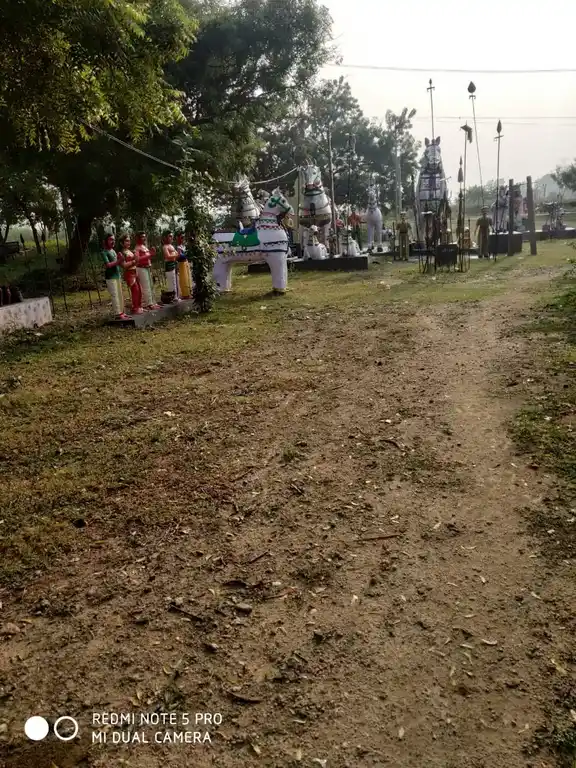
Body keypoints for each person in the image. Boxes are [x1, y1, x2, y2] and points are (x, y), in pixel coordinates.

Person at [101, 233, 129, 319]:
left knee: (120, 294)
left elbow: (119, 262)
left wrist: (122, 259)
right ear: (106, 241)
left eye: (113, 239)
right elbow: (108, 265)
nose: (113, 241)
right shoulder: (104, 252)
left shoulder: (113, 251)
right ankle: (118, 313)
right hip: (110, 277)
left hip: (117, 275)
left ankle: (122, 311)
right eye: (110, 239)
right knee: (115, 295)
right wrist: (119, 260)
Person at [117, 234, 143, 314]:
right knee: (135, 290)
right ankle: (135, 307)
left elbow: (136, 262)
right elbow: (124, 265)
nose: (129, 242)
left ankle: (139, 306)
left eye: (129, 241)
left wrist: (137, 258)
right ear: (121, 243)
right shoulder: (121, 253)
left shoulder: (130, 251)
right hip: (129, 273)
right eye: (126, 241)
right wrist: (134, 261)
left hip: (135, 271)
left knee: (140, 290)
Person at [134, 232, 160, 309]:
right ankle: (149, 304)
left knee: (151, 285)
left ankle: (153, 302)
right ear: (138, 238)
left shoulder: (144, 247)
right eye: (142, 237)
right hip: (141, 268)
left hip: (148, 267)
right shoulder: (137, 248)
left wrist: (152, 255)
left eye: (144, 237)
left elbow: (148, 257)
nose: (144, 238)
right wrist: (150, 255)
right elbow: (137, 259)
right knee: (146, 286)